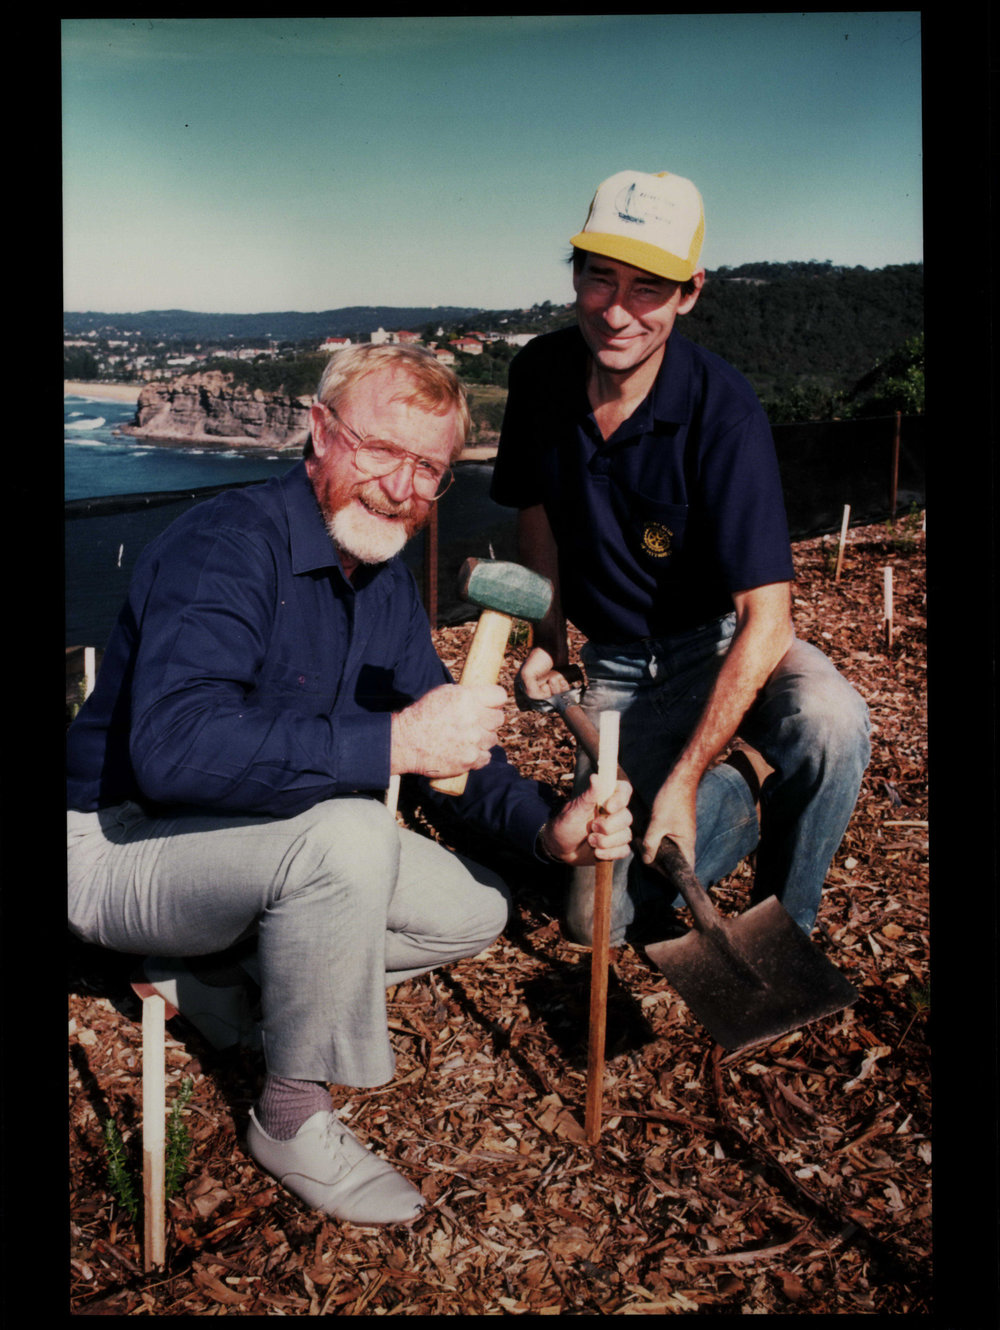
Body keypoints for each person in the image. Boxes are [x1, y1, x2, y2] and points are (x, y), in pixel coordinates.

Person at [67, 343, 633, 1226]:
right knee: (351, 833)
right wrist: (393, 740)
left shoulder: (382, 583)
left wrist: (546, 829)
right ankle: (289, 1118)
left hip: (256, 842)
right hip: (117, 841)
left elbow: (446, 744)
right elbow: (173, 750)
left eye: (429, 469)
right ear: (321, 432)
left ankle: (214, 979)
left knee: (474, 913)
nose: (402, 488)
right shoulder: (225, 550)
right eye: (380, 451)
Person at [490, 168, 870, 949]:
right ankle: (753, 787)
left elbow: (767, 620)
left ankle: (786, 927)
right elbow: (538, 513)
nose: (618, 312)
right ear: (575, 275)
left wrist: (686, 781)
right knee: (600, 924)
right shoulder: (540, 374)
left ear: (689, 293)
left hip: (723, 647)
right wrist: (548, 638)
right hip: (622, 670)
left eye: (648, 289)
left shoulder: (721, 410)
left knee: (831, 720)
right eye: (601, 279)